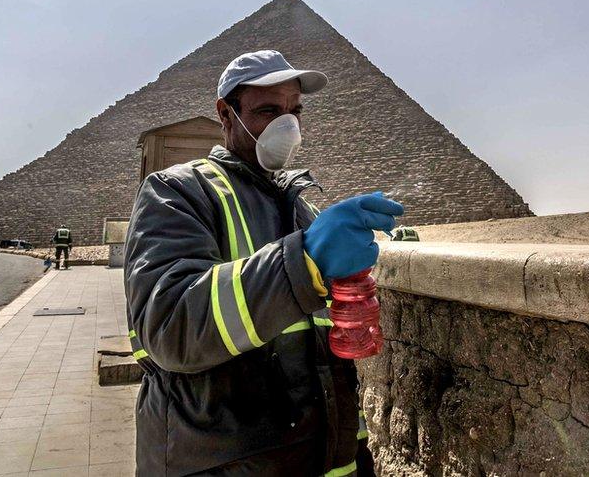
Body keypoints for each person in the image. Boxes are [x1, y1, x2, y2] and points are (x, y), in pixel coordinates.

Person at [124, 50, 403, 476]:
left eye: (295, 111)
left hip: (328, 458)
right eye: (269, 110)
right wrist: (304, 259)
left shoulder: (303, 210)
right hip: (222, 462)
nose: (287, 125)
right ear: (226, 113)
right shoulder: (176, 193)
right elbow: (169, 326)